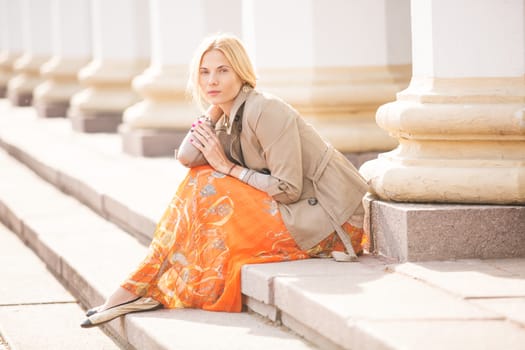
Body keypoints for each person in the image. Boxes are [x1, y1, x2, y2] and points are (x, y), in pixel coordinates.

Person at [80, 33, 369, 328]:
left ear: (241, 73)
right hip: (298, 211)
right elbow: (188, 158)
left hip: (329, 219)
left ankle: (140, 287)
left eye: (223, 71)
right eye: (204, 73)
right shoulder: (228, 113)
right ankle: (143, 287)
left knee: (209, 184)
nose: (211, 81)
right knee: (201, 177)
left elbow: (289, 188)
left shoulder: (265, 109)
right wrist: (213, 109)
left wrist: (229, 168)